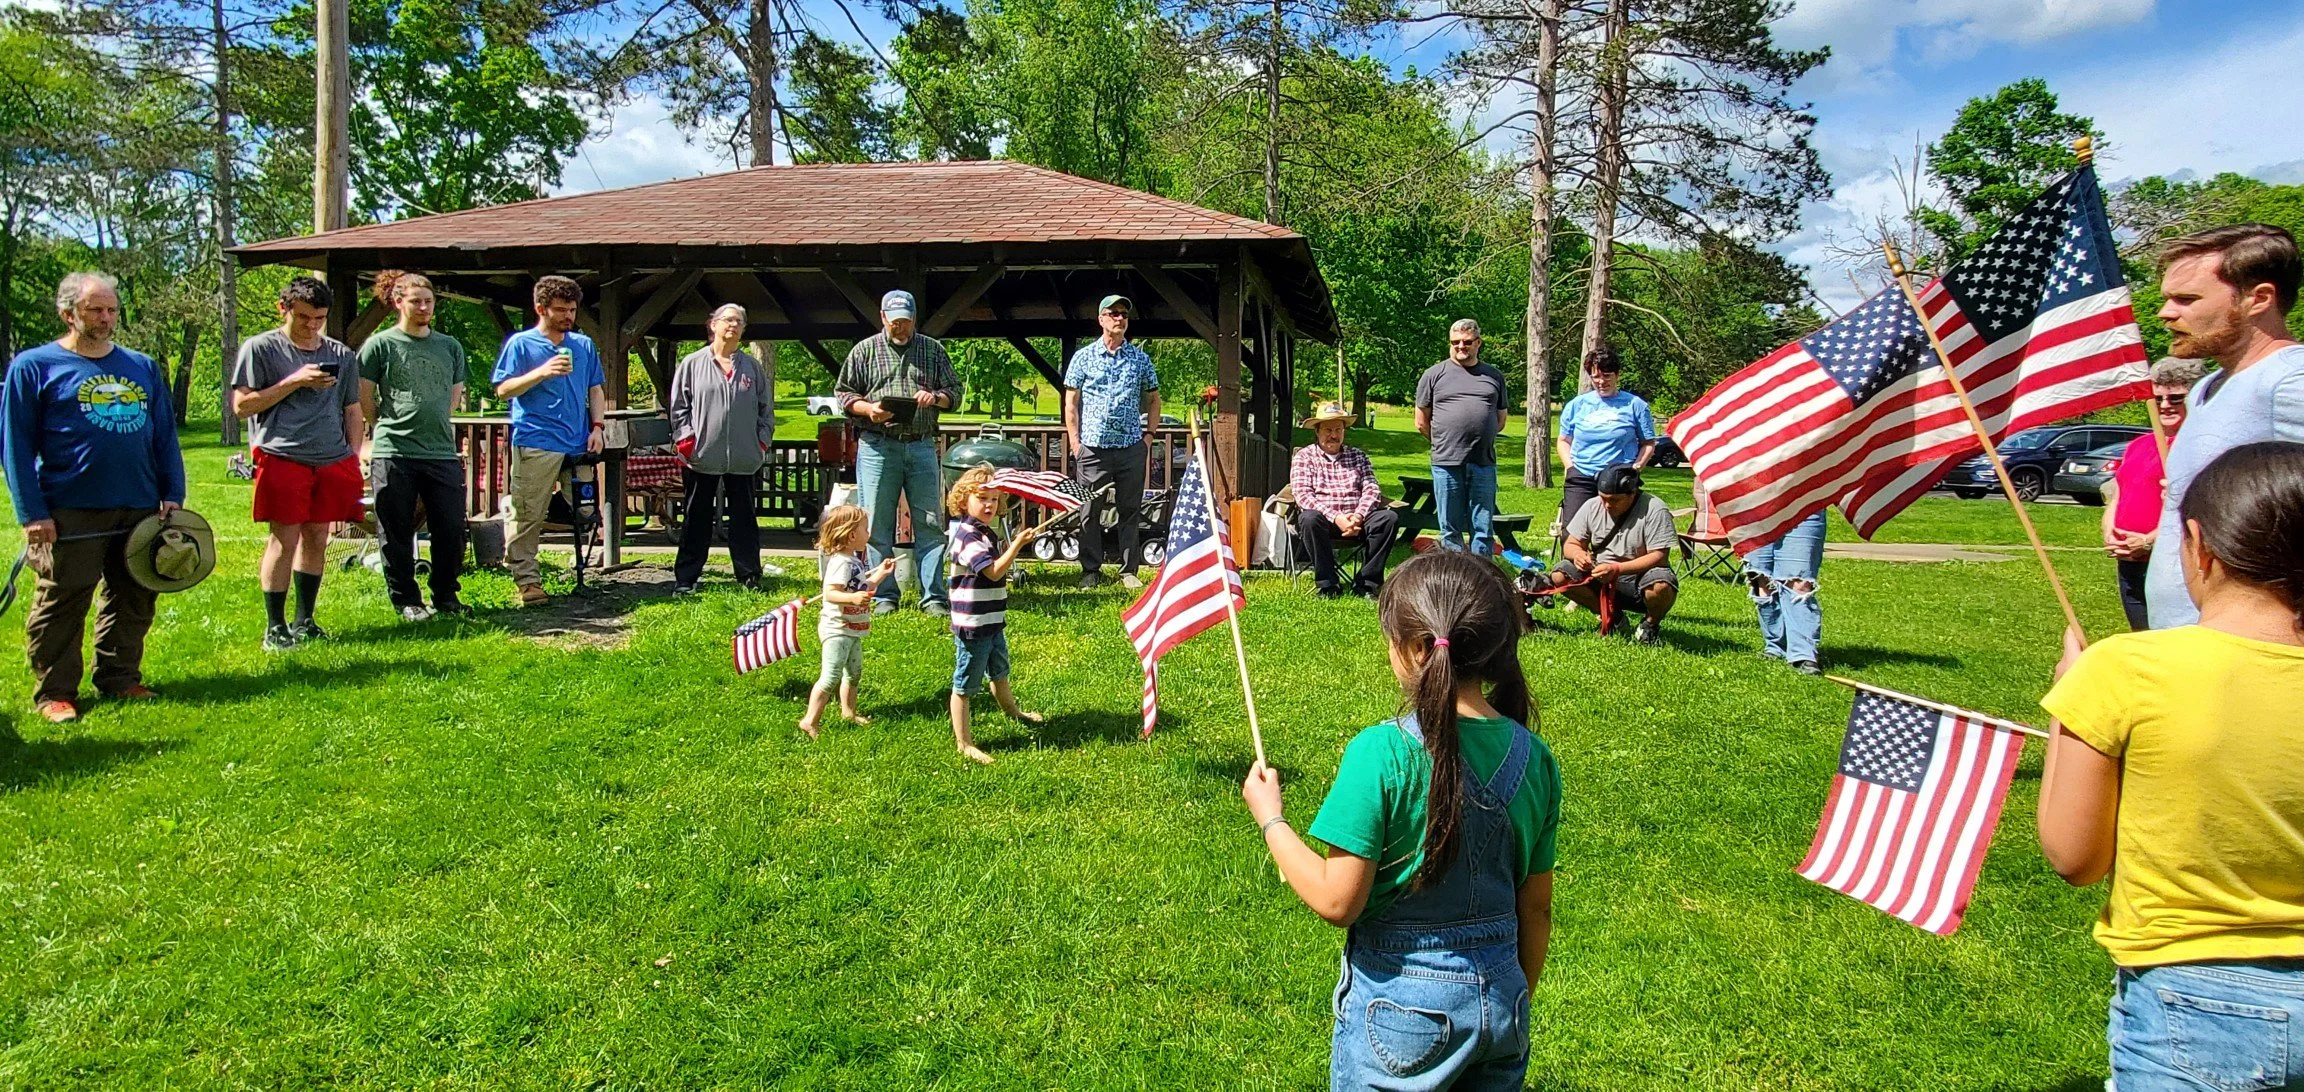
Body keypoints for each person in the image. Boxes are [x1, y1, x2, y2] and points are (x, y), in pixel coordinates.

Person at [2037, 440, 2304, 1091]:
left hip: (2191, 993)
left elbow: (2075, 857)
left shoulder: (2124, 670)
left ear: (2198, 546)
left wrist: (2069, 699)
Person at [1240, 550, 1559, 1091]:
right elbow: (1537, 905)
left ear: (1415, 650)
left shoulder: (1380, 752)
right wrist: (1513, 994)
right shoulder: (1535, 758)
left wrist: (1273, 821)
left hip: (1401, 1016)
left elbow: (1337, 901)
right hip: (1504, 1001)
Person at [1, 272, 185, 723]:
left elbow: (164, 435)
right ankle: (55, 693)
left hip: (139, 505)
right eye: (95, 310)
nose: (106, 319)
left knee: (135, 595)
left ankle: (120, 678)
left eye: (111, 310)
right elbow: (15, 447)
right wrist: (32, 514)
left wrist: (172, 491)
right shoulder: (34, 366)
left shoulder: (140, 367)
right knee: (63, 601)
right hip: (69, 509)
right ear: (68, 314)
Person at [2144, 223, 2304, 628]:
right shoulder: (2204, 387)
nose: (2165, 313)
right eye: (2167, 298)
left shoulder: (2290, 380)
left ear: (2258, 298)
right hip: (2190, 640)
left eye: (2186, 299)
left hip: (2253, 650)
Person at [230, 276, 363, 651]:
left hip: (331, 457)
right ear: (283, 309)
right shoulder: (261, 348)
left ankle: (305, 620)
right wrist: (294, 381)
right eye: (303, 316)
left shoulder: (342, 355)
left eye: (319, 318)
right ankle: (275, 626)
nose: (311, 325)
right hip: (282, 454)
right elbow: (242, 406)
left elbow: (352, 410)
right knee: (284, 537)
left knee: (318, 536)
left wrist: (352, 457)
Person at [836, 289, 959, 617]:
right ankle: (882, 595)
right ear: (883, 318)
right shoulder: (864, 351)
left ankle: (933, 596)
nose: (899, 328)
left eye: (905, 322)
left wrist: (936, 398)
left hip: (920, 444)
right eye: (894, 322)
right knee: (875, 523)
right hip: (877, 444)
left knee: (930, 522)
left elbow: (955, 392)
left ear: (914, 319)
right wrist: (868, 409)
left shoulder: (933, 350)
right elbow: (844, 394)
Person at [357, 271, 469, 622]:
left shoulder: (449, 346)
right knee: (396, 529)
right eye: (416, 301)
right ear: (398, 302)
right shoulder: (380, 345)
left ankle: (446, 596)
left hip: (440, 451)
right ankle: (406, 599)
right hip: (394, 451)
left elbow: (453, 396)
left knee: (450, 527)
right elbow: (364, 397)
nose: (423, 307)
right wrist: (379, 429)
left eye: (429, 301)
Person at [492, 275, 607, 607]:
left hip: (578, 444)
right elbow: (503, 390)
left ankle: (582, 569)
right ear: (541, 308)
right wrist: (541, 372)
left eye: (572, 310)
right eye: (561, 310)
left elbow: (595, 388)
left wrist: (597, 427)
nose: (568, 316)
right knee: (529, 514)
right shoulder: (521, 344)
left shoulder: (583, 345)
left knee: (586, 511)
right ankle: (528, 580)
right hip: (536, 440)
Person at [669, 303, 775, 594]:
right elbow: (679, 408)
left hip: (743, 457)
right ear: (712, 325)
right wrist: (687, 442)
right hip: (702, 456)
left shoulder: (752, 367)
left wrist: (761, 442)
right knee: (696, 517)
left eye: (739, 321)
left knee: (744, 518)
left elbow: (766, 409)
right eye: (728, 320)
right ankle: (686, 578)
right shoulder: (692, 364)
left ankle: (749, 576)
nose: (733, 325)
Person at [944, 465, 1045, 765]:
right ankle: (964, 743)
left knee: (999, 671)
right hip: (973, 624)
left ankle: (1013, 712)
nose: (989, 505)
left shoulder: (984, 533)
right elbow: (993, 571)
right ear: (964, 501)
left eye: (994, 499)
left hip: (991, 620)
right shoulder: (967, 536)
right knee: (965, 685)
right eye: (981, 498)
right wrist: (1017, 545)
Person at [1064, 294, 1161, 591]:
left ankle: (1128, 570)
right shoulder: (1083, 357)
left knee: (1130, 509)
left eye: (1124, 314)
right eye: (1113, 313)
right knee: (1088, 511)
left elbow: (1154, 399)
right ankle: (1090, 570)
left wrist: (1148, 437)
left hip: (1131, 446)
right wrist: (1075, 443)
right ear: (1101, 319)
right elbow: (1071, 402)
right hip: (1092, 449)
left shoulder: (1140, 359)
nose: (1119, 318)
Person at [2103, 358, 2205, 631]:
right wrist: (2111, 532)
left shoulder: (2197, 447)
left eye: (2176, 398)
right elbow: (2118, 493)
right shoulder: (2139, 445)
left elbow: (2193, 508)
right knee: (2141, 636)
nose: (2165, 405)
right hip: (2129, 560)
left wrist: (2149, 542)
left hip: (2172, 563)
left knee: (2171, 640)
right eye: (2157, 397)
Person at [1536, 466, 1678, 645]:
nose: (1607, 505)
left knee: (1662, 585)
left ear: (1632, 493)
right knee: (1559, 575)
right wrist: (1579, 554)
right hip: (1600, 577)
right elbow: (1570, 545)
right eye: (1603, 498)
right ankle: (1613, 618)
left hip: (1640, 579)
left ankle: (1650, 625)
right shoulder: (1592, 506)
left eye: (1614, 500)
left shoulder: (1655, 509)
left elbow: (1659, 556)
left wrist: (1617, 569)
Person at [797, 505, 896, 740]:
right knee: (831, 676)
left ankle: (848, 712)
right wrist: (851, 597)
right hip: (837, 628)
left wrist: (880, 574)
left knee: (854, 673)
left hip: (852, 628)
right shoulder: (841, 562)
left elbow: (863, 588)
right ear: (852, 535)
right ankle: (809, 720)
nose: (868, 533)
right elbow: (831, 593)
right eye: (865, 529)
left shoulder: (853, 561)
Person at [1416, 319, 1509, 557]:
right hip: (1446, 462)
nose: (1461, 347)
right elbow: (1421, 421)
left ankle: (1482, 572)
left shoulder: (1494, 376)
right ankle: (1456, 572)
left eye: (1467, 342)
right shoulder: (1433, 375)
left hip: (1483, 461)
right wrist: (1445, 441)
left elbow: (1500, 420)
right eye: (1455, 342)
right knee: (1450, 526)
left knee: (1483, 526)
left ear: (1478, 343)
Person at [1289, 400, 1399, 599]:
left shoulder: (1358, 456)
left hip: (1358, 520)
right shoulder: (1304, 457)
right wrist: (1337, 517)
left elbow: (1372, 488)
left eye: (1338, 429)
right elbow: (1303, 496)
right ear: (1317, 431)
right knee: (1308, 518)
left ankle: (1366, 584)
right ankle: (1328, 585)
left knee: (1388, 519)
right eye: (1328, 429)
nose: (1334, 435)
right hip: (1324, 522)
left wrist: (1359, 515)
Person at [1554, 346, 1656, 537]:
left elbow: (1648, 443)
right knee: (1572, 534)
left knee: (1619, 534)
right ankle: (1572, 566)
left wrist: (1636, 467)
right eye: (1595, 377)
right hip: (1582, 477)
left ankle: (1615, 567)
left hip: (1619, 478)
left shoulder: (1636, 405)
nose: (1601, 382)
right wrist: (1570, 467)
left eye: (1607, 375)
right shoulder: (1576, 405)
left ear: (1617, 375)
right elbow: (1563, 440)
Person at [1742, 512, 1827, 675]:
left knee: (1800, 583)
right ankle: (1775, 646)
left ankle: (1803, 654)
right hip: (1755, 508)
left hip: (1804, 506)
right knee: (1762, 580)